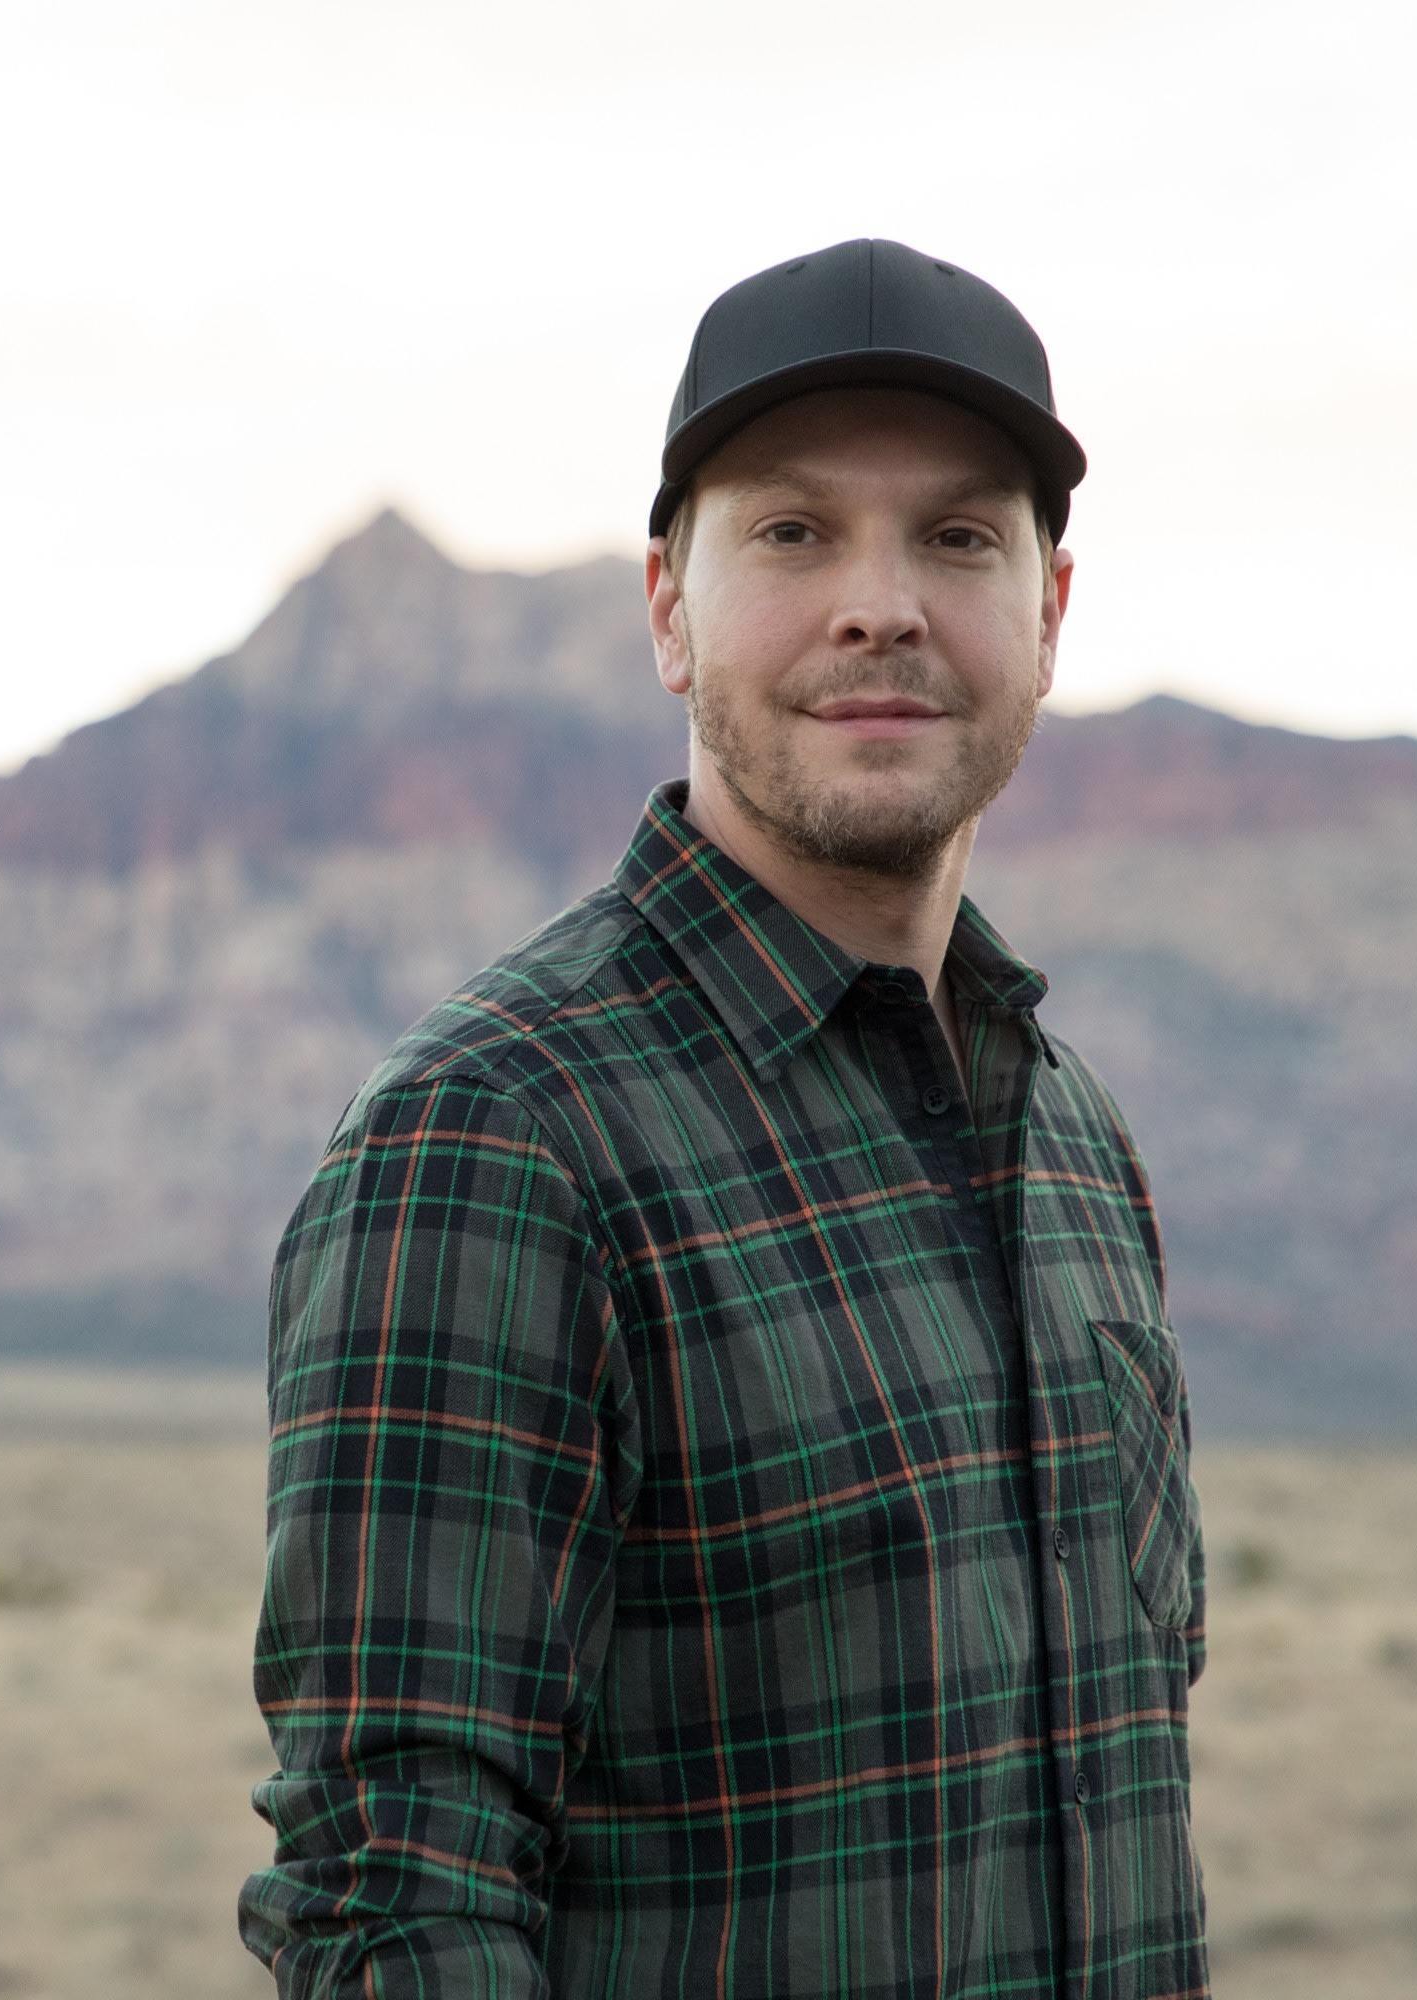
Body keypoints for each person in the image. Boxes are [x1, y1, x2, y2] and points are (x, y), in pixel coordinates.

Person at [239, 238, 1207, 1999]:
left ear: (1051, 613)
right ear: (669, 612)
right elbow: (391, 1901)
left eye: (958, 538)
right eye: (792, 532)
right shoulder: (497, 1139)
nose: (880, 605)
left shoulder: (1076, 1143)